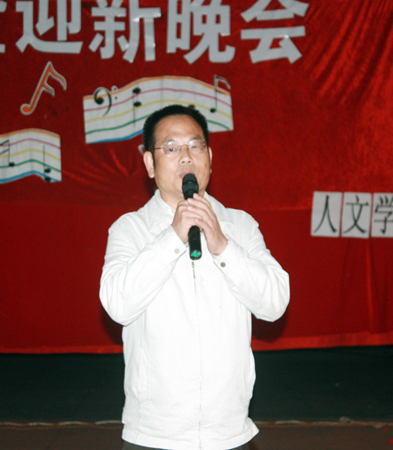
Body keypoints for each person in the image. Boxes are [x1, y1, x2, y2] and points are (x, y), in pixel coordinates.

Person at [100, 104, 290, 450]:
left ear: (210, 157)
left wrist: (223, 246)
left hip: (229, 434)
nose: (186, 157)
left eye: (195, 145)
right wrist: (172, 237)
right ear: (149, 163)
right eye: (171, 148)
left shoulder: (240, 226)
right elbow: (118, 305)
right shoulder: (131, 229)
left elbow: (274, 303)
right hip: (154, 436)